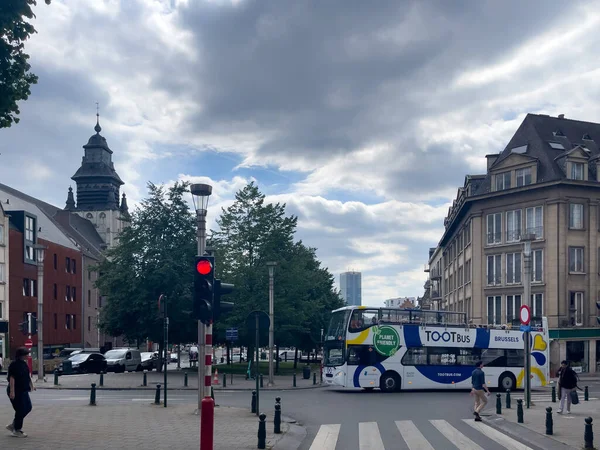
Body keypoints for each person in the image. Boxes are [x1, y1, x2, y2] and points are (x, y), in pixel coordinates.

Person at [6, 347, 35, 438]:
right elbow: (12, 378)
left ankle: (13, 425)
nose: (28, 355)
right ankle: (17, 430)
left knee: (28, 407)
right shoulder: (14, 365)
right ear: (21, 355)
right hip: (16, 390)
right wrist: (12, 391)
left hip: (24, 390)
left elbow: (27, 376)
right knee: (20, 410)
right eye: (26, 354)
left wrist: (32, 385)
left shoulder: (24, 364)